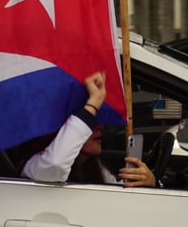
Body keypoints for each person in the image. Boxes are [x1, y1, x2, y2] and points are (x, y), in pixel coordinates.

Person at [20, 71, 157, 187]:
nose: (99, 127)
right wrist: (94, 102)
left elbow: (119, 194)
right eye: (87, 120)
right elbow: (56, 163)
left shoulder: (93, 167)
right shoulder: (36, 167)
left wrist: (151, 182)